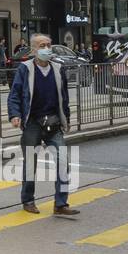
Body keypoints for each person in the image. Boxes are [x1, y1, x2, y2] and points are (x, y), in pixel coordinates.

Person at [7, 34, 79, 216]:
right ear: (33, 50)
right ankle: (28, 200)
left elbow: (63, 97)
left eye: (48, 45)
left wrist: (66, 119)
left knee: (63, 161)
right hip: (32, 122)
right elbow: (15, 94)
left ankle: (61, 204)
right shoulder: (25, 69)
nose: (46, 48)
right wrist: (15, 115)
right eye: (42, 45)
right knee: (30, 163)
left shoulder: (57, 68)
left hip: (54, 122)